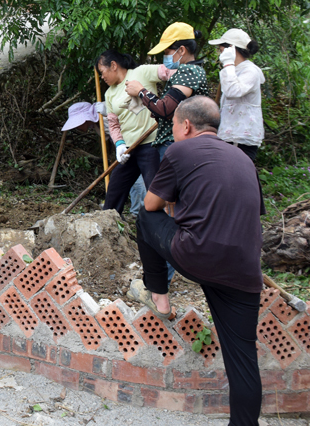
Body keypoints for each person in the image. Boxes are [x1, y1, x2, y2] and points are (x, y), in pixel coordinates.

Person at [129, 96, 264, 426]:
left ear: (186, 125)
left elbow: (151, 204)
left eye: (173, 125)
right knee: (243, 358)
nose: (173, 132)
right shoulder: (244, 160)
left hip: (198, 256)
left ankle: (158, 294)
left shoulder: (179, 151)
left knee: (144, 219)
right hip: (245, 272)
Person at [96, 50, 169, 215]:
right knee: (114, 192)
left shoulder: (141, 73)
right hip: (129, 150)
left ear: (113, 65)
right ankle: (108, 226)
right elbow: (113, 124)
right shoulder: (110, 94)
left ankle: (160, 231)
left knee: (155, 193)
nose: (102, 77)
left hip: (151, 145)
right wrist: (119, 145)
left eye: (103, 72)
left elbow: (169, 73)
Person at [124, 22, 210, 158]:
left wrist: (141, 91)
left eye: (166, 52)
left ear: (181, 50)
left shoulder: (189, 71)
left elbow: (166, 109)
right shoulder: (187, 72)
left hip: (177, 143)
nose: (165, 57)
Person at [208, 28, 264, 163]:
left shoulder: (250, 71)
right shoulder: (232, 70)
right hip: (230, 135)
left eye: (221, 47)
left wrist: (228, 63)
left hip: (241, 137)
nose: (219, 50)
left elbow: (233, 91)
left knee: (239, 174)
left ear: (231, 49)